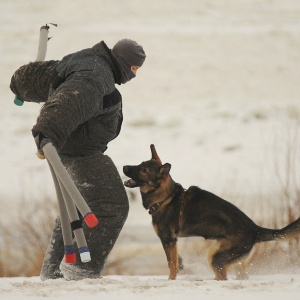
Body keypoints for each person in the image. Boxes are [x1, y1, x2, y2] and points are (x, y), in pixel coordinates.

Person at [10, 38, 146, 280]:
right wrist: (48, 129)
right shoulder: (95, 74)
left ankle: (53, 276)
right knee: (110, 207)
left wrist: (21, 82)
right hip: (80, 152)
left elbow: (50, 76)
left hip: (66, 150)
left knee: (72, 211)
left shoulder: (87, 61)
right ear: (124, 62)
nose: (134, 75)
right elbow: (71, 100)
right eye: (134, 68)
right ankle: (79, 273)